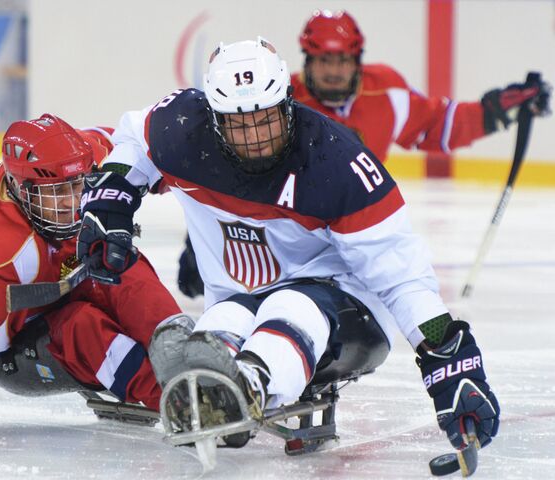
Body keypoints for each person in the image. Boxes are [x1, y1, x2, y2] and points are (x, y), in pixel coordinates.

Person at [76, 38, 500, 453]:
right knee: (222, 317)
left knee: (292, 307)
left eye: (267, 117)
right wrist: (112, 197)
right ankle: (211, 373)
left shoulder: (339, 165)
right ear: (213, 117)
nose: (256, 135)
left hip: (350, 309)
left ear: (288, 103)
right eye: (239, 123)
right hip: (245, 297)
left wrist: (446, 355)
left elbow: (405, 280)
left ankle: (250, 385)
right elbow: (133, 142)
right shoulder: (183, 128)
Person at [176, 9, 551, 299]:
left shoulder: (386, 92)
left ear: (358, 59)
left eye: (343, 60)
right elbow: (231, 164)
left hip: (354, 231)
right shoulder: (280, 103)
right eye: (324, 60)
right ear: (307, 60)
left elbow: (439, 125)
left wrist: (501, 108)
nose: (334, 72)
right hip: (283, 237)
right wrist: (204, 238)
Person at [0, 114, 182, 448]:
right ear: (20, 189)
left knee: (122, 264)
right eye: (56, 193)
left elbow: (138, 147)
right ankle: (180, 401)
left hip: (68, 279)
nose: (73, 203)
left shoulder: (83, 154)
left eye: (79, 185)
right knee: (81, 326)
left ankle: (187, 354)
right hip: (23, 347)